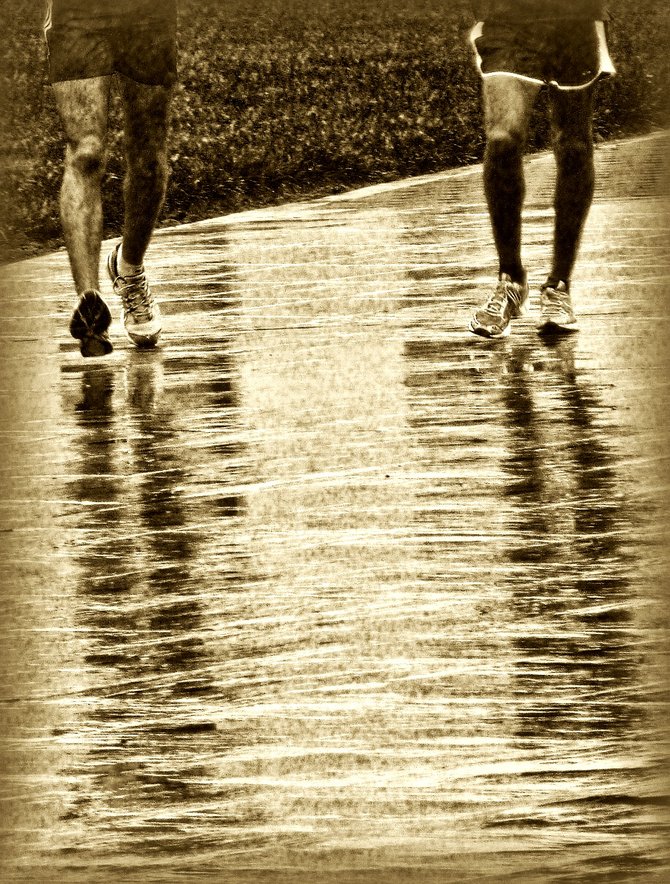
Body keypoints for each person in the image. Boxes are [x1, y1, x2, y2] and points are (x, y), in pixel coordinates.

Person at [468, 0, 615, 339]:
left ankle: (559, 285)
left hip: (576, 20)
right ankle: (510, 279)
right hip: (507, 19)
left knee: (573, 144)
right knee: (503, 138)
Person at [44, 0, 177, 356]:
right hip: (79, 13)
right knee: (85, 153)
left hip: (149, 13)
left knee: (148, 159)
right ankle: (90, 306)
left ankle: (129, 269)